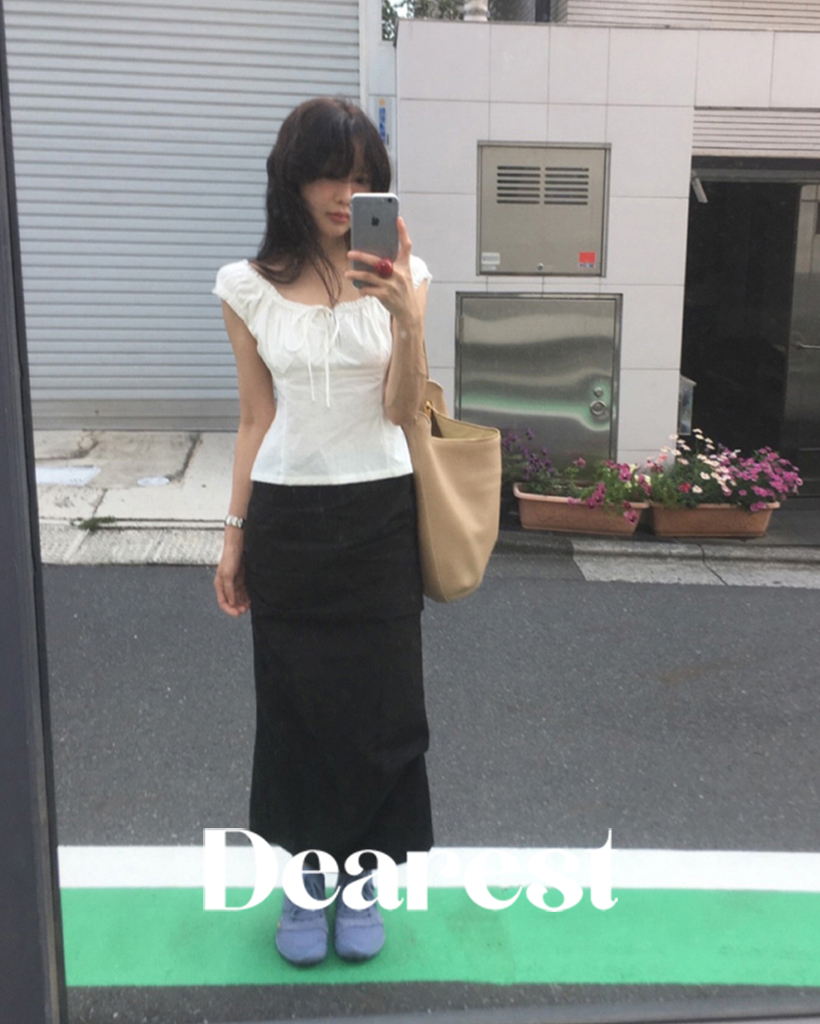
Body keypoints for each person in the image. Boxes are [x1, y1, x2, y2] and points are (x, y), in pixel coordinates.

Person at [211, 96, 435, 967]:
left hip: (381, 515)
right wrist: (233, 535)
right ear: (291, 180)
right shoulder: (245, 286)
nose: (347, 196)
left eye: (364, 178)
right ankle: (307, 881)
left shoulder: (406, 275)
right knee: (296, 712)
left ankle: (364, 878)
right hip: (289, 522)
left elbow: (402, 410)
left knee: (382, 711)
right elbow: (254, 418)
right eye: (329, 176)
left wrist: (406, 316)